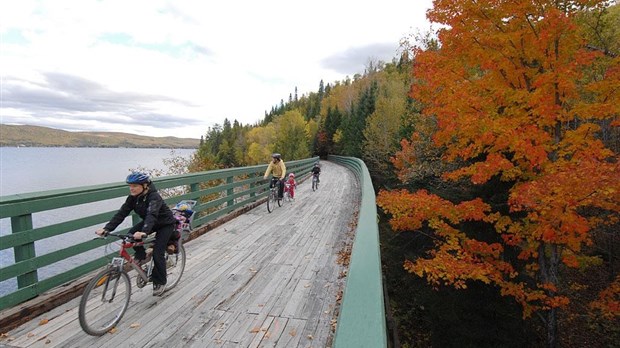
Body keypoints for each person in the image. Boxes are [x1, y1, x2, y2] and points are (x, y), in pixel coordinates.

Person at [95, 171, 177, 296]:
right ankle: (141, 256)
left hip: (165, 224)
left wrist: (144, 232)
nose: (131, 189)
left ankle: (160, 281)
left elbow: (152, 215)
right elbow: (121, 213)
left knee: (157, 252)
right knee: (130, 235)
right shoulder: (133, 198)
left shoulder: (154, 197)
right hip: (151, 223)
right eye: (130, 186)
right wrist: (107, 229)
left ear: (145, 186)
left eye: (135, 186)